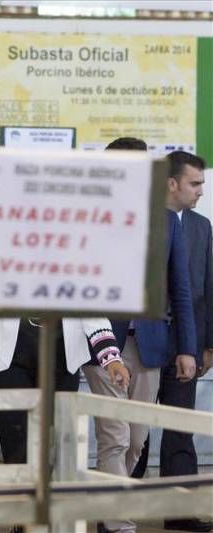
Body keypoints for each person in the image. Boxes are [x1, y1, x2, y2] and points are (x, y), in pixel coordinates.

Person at [83, 137, 197, 533]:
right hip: (102, 342)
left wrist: (188, 348)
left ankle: (108, 509)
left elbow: (179, 288)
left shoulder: (166, 220)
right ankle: (119, 524)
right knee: (113, 436)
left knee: (135, 440)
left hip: (150, 344)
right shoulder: (87, 215)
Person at [0, 318, 129, 463]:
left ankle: (47, 496)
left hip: (63, 358)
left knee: (54, 442)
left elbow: (91, 309)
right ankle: (25, 496)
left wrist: (111, 358)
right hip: (10, 358)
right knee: (17, 440)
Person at [157, 150, 211, 533]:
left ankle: (180, 510)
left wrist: (206, 345)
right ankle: (118, 512)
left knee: (180, 428)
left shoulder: (201, 225)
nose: (201, 191)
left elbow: (206, 289)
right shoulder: (138, 220)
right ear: (172, 183)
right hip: (141, 340)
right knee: (131, 433)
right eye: (195, 183)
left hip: (187, 345)